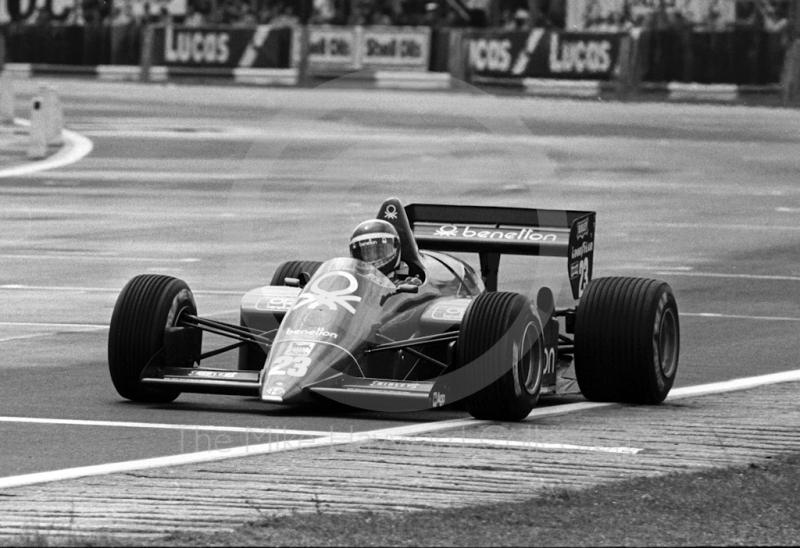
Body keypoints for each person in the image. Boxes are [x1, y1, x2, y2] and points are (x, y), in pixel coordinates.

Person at [349, 220, 422, 286]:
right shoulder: (351, 284)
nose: (373, 257)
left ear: (396, 246)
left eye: (379, 252)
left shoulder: (403, 285)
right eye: (367, 254)